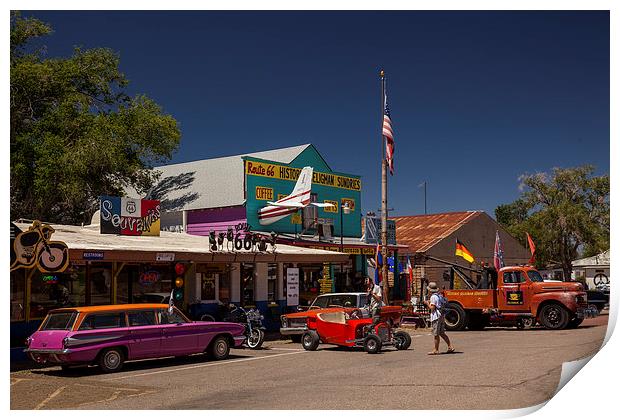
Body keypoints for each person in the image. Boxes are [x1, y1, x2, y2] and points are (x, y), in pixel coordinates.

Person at [423, 281, 455, 355]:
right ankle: (450, 346)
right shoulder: (438, 295)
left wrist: (427, 303)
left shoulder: (433, 297)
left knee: (436, 334)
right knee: (442, 333)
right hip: (441, 315)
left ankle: (436, 350)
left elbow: (432, 308)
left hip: (436, 317)